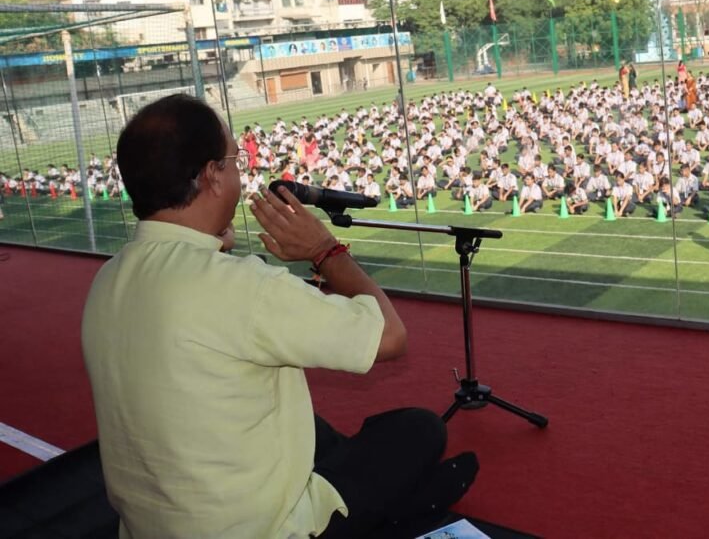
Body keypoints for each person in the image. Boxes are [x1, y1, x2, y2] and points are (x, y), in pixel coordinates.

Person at [81, 94, 477, 539]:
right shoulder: (241, 286)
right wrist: (325, 251)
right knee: (418, 430)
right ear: (212, 174)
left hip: (152, 525)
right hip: (261, 529)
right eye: (233, 161)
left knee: (311, 423)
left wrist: (214, 242)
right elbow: (390, 336)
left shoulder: (106, 280)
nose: (239, 171)